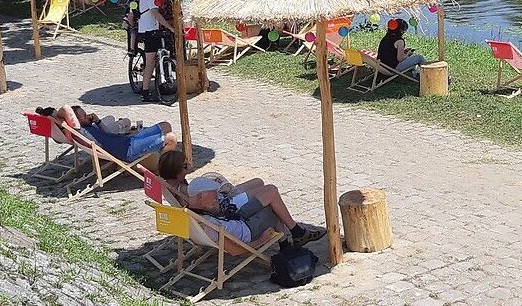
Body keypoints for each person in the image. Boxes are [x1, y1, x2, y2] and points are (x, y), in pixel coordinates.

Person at [156, 150, 325, 248]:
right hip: (228, 209)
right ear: (177, 171)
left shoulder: (172, 187)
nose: (189, 166)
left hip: (223, 202)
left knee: (259, 182)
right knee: (270, 192)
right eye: (185, 165)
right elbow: (210, 207)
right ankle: (296, 232)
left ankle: (288, 232)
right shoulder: (185, 192)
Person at [37, 105, 176, 161]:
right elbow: (65, 109)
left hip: (128, 140)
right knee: (171, 138)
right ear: (75, 121)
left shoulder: (90, 126)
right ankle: (166, 171)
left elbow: (108, 132)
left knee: (166, 125)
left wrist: (97, 121)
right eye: (83, 116)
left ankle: (164, 157)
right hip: (127, 150)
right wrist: (59, 116)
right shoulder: (80, 130)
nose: (87, 116)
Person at [137, 0, 175, 102]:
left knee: (158, 56)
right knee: (150, 62)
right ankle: (145, 92)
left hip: (154, 30)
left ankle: (161, 78)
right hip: (148, 31)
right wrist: (170, 27)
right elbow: (156, 14)